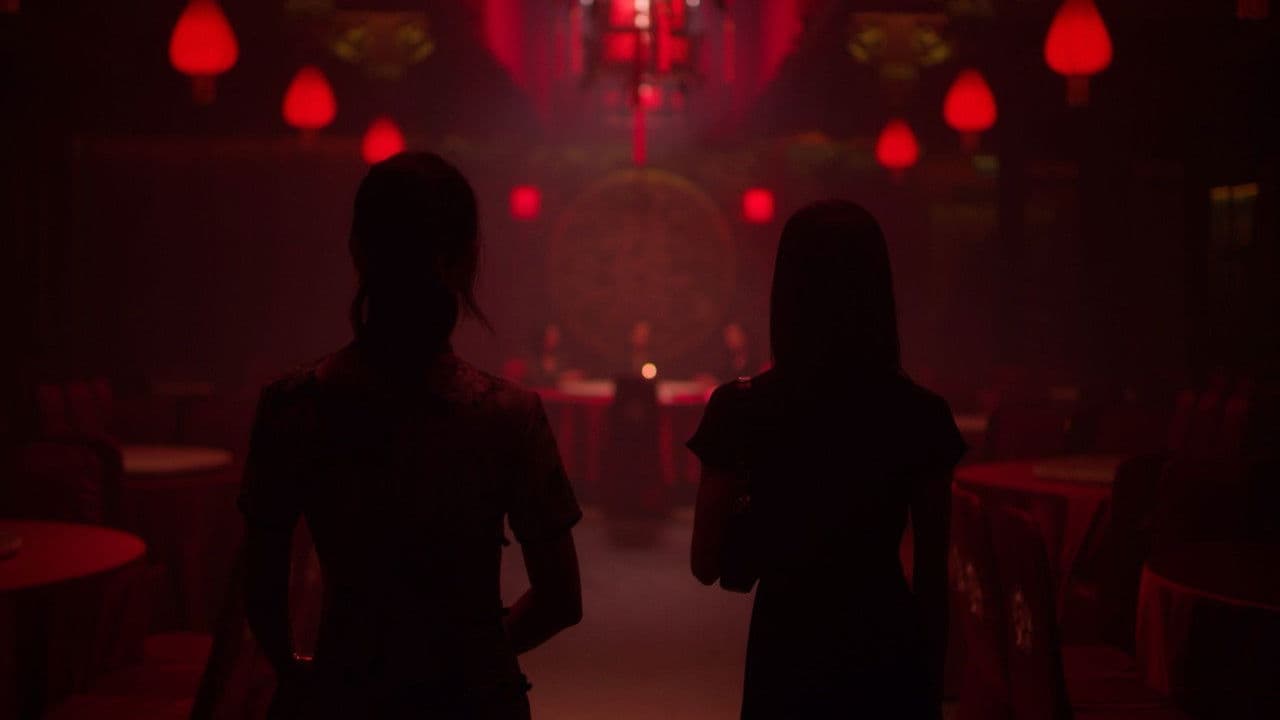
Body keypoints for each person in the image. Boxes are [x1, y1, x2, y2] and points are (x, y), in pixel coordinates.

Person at [238, 152, 583, 718]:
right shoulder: (507, 414)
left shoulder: (294, 405)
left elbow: (260, 585)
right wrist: (476, 655)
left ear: (358, 250)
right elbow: (561, 598)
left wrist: (297, 673)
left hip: (346, 693)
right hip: (476, 702)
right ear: (466, 259)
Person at [688, 200, 965, 719]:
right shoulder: (921, 414)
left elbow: (705, 563)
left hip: (786, 651)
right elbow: (933, 580)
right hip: (886, 650)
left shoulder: (740, 408)